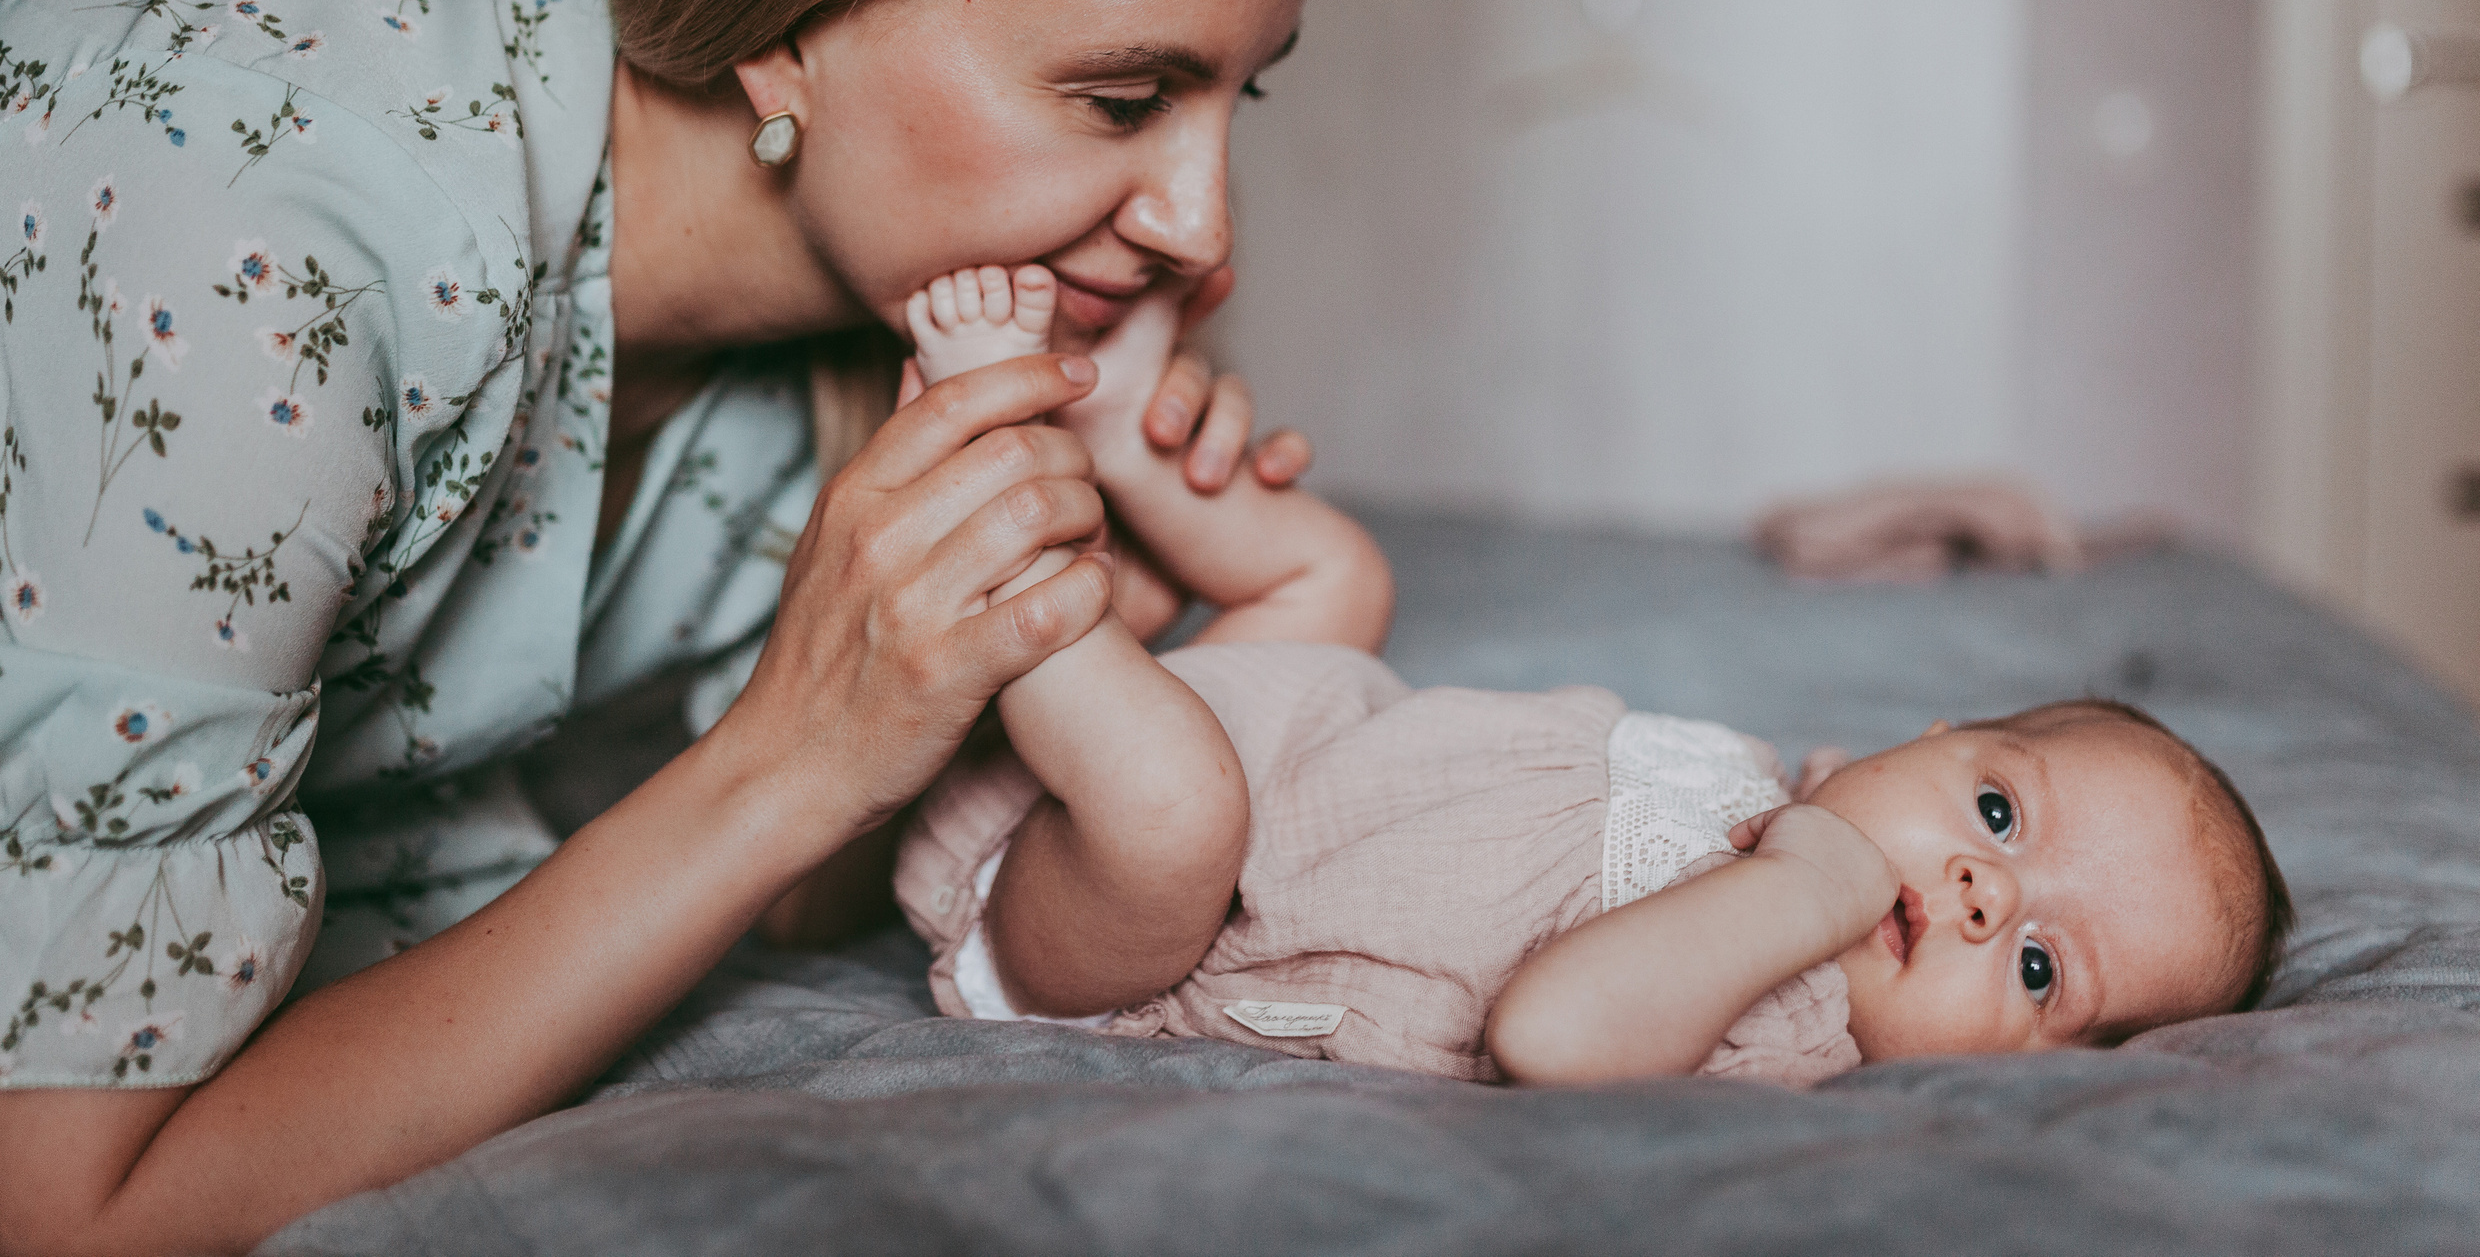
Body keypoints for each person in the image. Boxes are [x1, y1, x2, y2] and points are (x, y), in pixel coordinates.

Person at [0, 0, 1373, 1251]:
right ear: (786, 20)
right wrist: (784, 759)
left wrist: (1052, 606)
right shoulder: (254, 247)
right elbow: (61, 1211)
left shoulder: (879, 298)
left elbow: (811, 899)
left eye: (1237, 99)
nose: (1205, 229)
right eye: (1123, 98)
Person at [890, 267, 2295, 1084]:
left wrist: (1807, 892)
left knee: (1173, 805)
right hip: (1277, 759)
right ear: (1931, 735)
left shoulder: (1784, 1020)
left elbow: (1553, 1035)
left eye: (2039, 968)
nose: (1986, 893)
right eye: (1997, 812)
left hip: (1135, 927)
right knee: (1339, 583)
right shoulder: (1775, 780)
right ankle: (1119, 430)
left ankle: (988, 493)